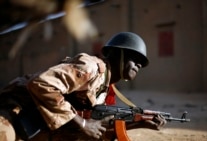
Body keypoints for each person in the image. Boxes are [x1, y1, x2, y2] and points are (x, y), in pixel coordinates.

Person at [0, 32, 167, 141]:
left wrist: (141, 122)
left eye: (141, 62)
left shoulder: (105, 89)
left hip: (37, 124)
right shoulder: (90, 67)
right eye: (134, 57)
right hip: (13, 112)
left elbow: (97, 132)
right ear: (117, 54)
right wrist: (83, 125)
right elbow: (42, 84)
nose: (138, 64)